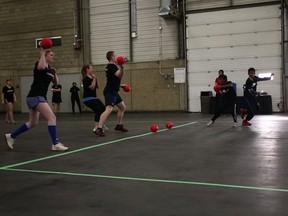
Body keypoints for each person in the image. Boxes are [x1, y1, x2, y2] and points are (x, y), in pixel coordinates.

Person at [4, 47, 68, 151]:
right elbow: (42, 66)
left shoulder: (50, 70)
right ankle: (55, 143)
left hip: (36, 97)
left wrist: (55, 73)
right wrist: (42, 51)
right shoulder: (38, 65)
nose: (53, 56)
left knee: (33, 123)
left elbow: (56, 83)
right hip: (35, 96)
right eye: (51, 55)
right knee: (52, 118)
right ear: (45, 56)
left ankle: (11, 136)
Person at [94, 51, 128, 136]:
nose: (117, 56)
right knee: (109, 109)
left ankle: (119, 125)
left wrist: (120, 85)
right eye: (115, 55)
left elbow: (112, 80)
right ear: (112, 57)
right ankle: (99, 128)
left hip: (114, 91)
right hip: (110, 91)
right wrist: (122, 67)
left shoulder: (111, 67)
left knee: (122, 107)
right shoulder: (112, 66)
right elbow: (119, 76)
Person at [81, 64, 105, 133]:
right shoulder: (85, 79)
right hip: (88, 99)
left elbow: (97, 87)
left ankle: (100, 124)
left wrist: (95, 78)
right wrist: (94, 79)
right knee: (98, 111)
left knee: (103, 109)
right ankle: (96, 127)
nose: (92, 69)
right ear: (87, 70)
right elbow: (91, 87)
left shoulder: (92, 78)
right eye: (91, 68)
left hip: (94, 98)